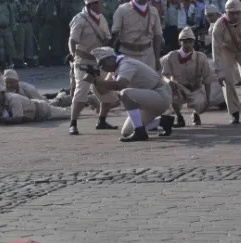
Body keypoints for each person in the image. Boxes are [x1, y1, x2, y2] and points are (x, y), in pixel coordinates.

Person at [89, 47, 174, 141]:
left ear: (110, 58)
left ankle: (139, 132)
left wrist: (98, 81)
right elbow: (103, 91)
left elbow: (121, 84)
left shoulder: (126, 64)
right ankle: (163, 121)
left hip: (161, 95)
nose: (101, 67)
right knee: (126, 132)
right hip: (150, 101)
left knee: (125, 93)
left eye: (102, 63)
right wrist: (95, 79)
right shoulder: (115, 70)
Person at [68, 0, 120, 135]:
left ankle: (101, 121)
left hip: (100, 61)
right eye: (99, 3)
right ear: (91, 5)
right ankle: (73, 123)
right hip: (83, 61)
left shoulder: (101, 19)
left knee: (106, 91)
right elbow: (72, 40)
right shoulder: (79, 19)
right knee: (81, 90)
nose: (102, 5)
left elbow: (107, 39)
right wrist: (73, 57)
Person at [160, 27, 215, 127]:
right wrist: (169, 82)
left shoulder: (201, 57)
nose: (187, 44)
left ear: (194, 42)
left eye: (190, 41)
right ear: (179, 42)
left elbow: (207, 79)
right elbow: (165, 74)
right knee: (170, 93)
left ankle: (196, 113)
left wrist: (208, 97)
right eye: (184, 41)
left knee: (201, 103)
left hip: (195, 89)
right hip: (179, 88)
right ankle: (179, 116)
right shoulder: (171, 56)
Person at [111, 0, 164, 70]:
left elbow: (158, 35)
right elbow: (114, 34)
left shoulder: (153, 11)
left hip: (148, 56)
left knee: (148, 80)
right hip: (127, 55)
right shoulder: (122, 10)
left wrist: (157, 59)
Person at [0, 81, 72, 124]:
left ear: (2, 93)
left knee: (70, 113)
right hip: (36, 111)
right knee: (59, 104)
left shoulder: (13, 98)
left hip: (42, 109)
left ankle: (79, 98)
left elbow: (18, 119)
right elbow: (7, 114)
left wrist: (1, 120)